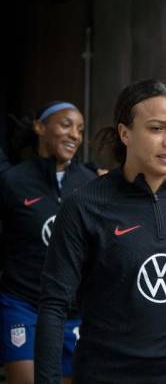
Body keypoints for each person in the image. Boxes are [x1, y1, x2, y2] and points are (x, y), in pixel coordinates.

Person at [35, 81, 166, 383]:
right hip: (107, 375)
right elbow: (54, 304)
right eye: (157, 128)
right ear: (125, 134)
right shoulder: (84, 205)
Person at [0, 102, 95, 383]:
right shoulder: (13, 182)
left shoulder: (90, 184)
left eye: (80, 129)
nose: (75, 135)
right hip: (22, 303)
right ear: (40, 127)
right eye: (66, 124)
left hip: (72, 311)